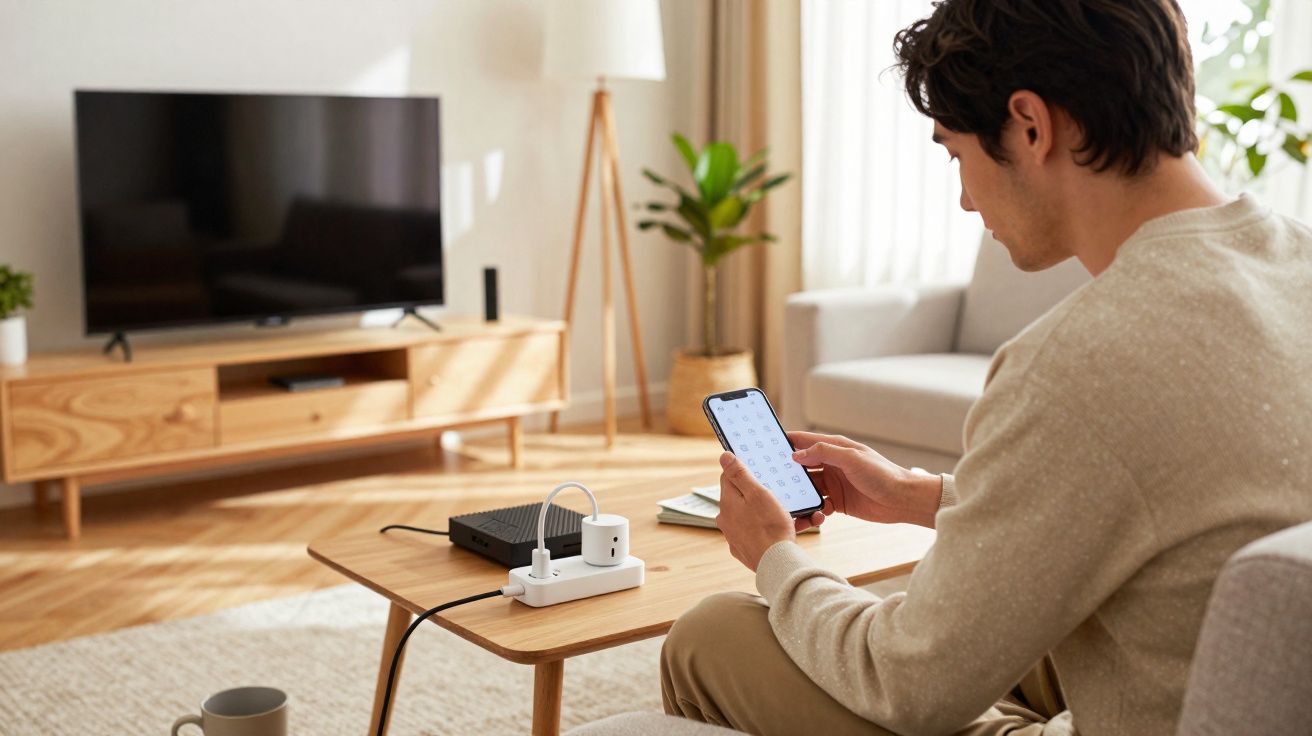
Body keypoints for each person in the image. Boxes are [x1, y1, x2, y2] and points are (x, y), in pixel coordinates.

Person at [659, 0, 1312, 734]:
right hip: (1231, 678)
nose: (966, 198)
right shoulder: (1298, 260)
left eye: (956, 155)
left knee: (712, 634)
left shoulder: (1074, 364)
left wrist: (775, 556)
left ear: (1031, 126)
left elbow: (906, 684)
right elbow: (1177, 495)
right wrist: (923, 496)